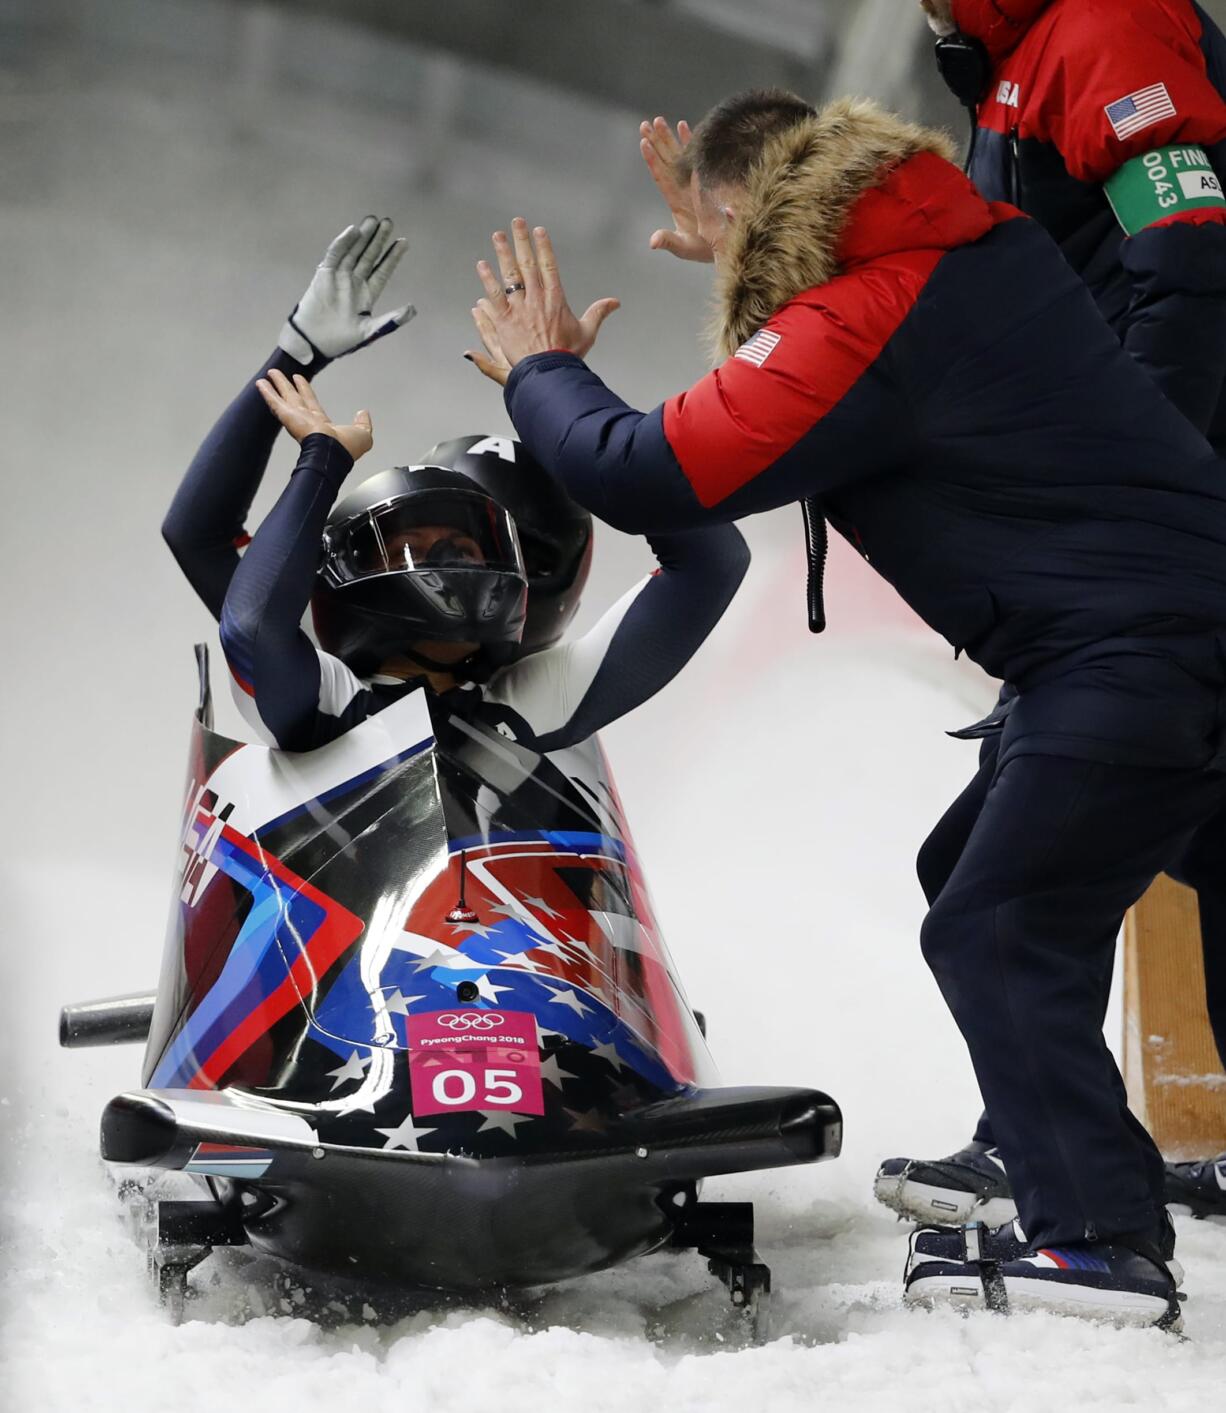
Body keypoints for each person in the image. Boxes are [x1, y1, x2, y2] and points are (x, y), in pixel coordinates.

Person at [463, 91, 1226, 1326]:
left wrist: (541, 370)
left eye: (716, 221)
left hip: (1125, 658)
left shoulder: (867, 316)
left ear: (736, 208)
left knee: (996, 925)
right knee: (975, 860)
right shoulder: (977, 248)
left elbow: (645, 468)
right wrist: (751, 255)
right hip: (1157, 638)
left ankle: (1097, 1243)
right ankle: (1070, 1179)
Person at [874, 0, 1226, 1231]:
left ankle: (1050, 1164)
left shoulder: (1103, 24)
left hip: (1150, 528)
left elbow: (1184, 252)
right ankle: (1048, 1141)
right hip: (1143, 529)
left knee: (1000, 876)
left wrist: (1141, 476)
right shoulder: (1009, 56)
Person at [163, 216, 748, 779]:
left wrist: (560, 390)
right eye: (410, 546)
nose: (440, 564)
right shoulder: (325, 688)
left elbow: (711, 564)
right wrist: (317, 443)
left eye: (463, 548)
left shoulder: (528, 699)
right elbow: (242, 609)